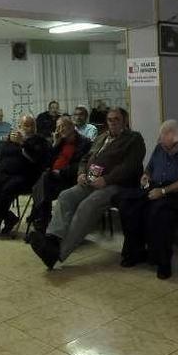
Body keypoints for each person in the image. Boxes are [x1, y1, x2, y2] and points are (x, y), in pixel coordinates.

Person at [28, 108, 145, 269]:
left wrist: (106, 179)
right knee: (65, 196)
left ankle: (58, 254)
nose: (112, 122)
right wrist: (81, 173)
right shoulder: (102, 137)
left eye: (117, 119)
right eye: (110, 119)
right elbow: (85, 158)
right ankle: (52, 240)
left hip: (116, 185)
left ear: (125, 121)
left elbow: (130, 166)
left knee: (86, 206)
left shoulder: (133, 139)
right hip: (90, 181)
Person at [120, 120, 178, 279]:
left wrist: (163, 191)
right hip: (155, 187)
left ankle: (162, 262)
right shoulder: (160, 147)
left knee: (158, 212)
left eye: (167, 146)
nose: (163, 148)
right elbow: (149, 169)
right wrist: (145, 177)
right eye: (162, 144)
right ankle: (136, 252)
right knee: (127, 205)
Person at [0, 115, 49, 239]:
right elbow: (3, 155)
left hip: (27, 176)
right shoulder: (12, 139)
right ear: (19, 126)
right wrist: (9, 141)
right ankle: (9, 217)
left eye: (31, 125)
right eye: (25, 125)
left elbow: (35, 159)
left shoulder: (39, 140)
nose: (29, 128)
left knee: (7, 190)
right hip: (6, 173)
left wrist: (23, 143)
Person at [25, 116, 92, 234]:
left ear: (71, 126)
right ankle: (43, 221)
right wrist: (55, 145)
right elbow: (47, 163)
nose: (60, 130)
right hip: (52, 179)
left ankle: (41, 219)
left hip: (69, 179)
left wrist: (61, 172)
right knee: (44, 180)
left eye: (62, 126)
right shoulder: (60, 142)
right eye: (58, 127)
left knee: (41, 183)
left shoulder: (84, 143)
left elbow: (82, 165)